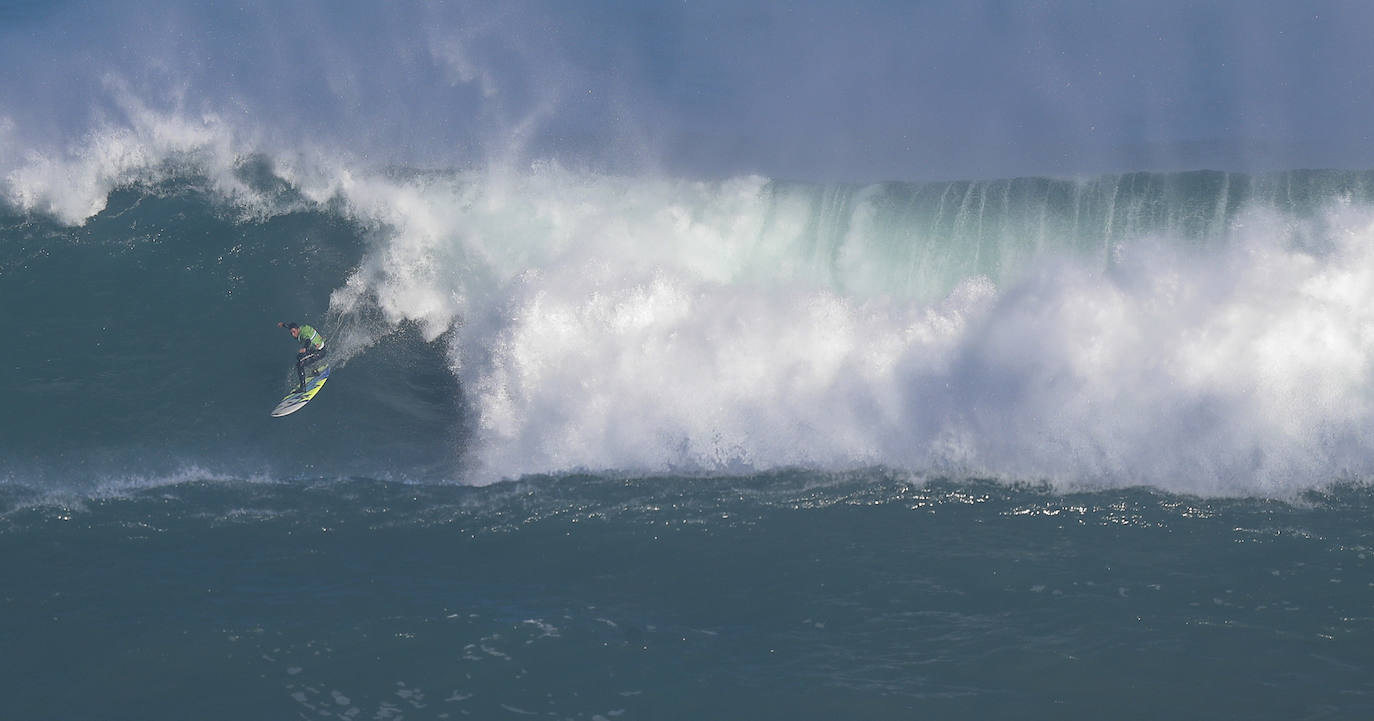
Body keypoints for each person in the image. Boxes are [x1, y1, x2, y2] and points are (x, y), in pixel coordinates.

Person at [278, 321, 326, 392]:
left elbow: (308, 340)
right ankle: (315, 371)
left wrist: (305, 348)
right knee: (299, 357)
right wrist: (283, 325)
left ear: (297, 330)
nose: (293, 335)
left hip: (319, 352)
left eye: (294, 332)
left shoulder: (303, 334)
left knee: (300, 364)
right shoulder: (301, 328)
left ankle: (303, 387)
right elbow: (291, 327)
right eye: (291, 333)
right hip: (317, 348)